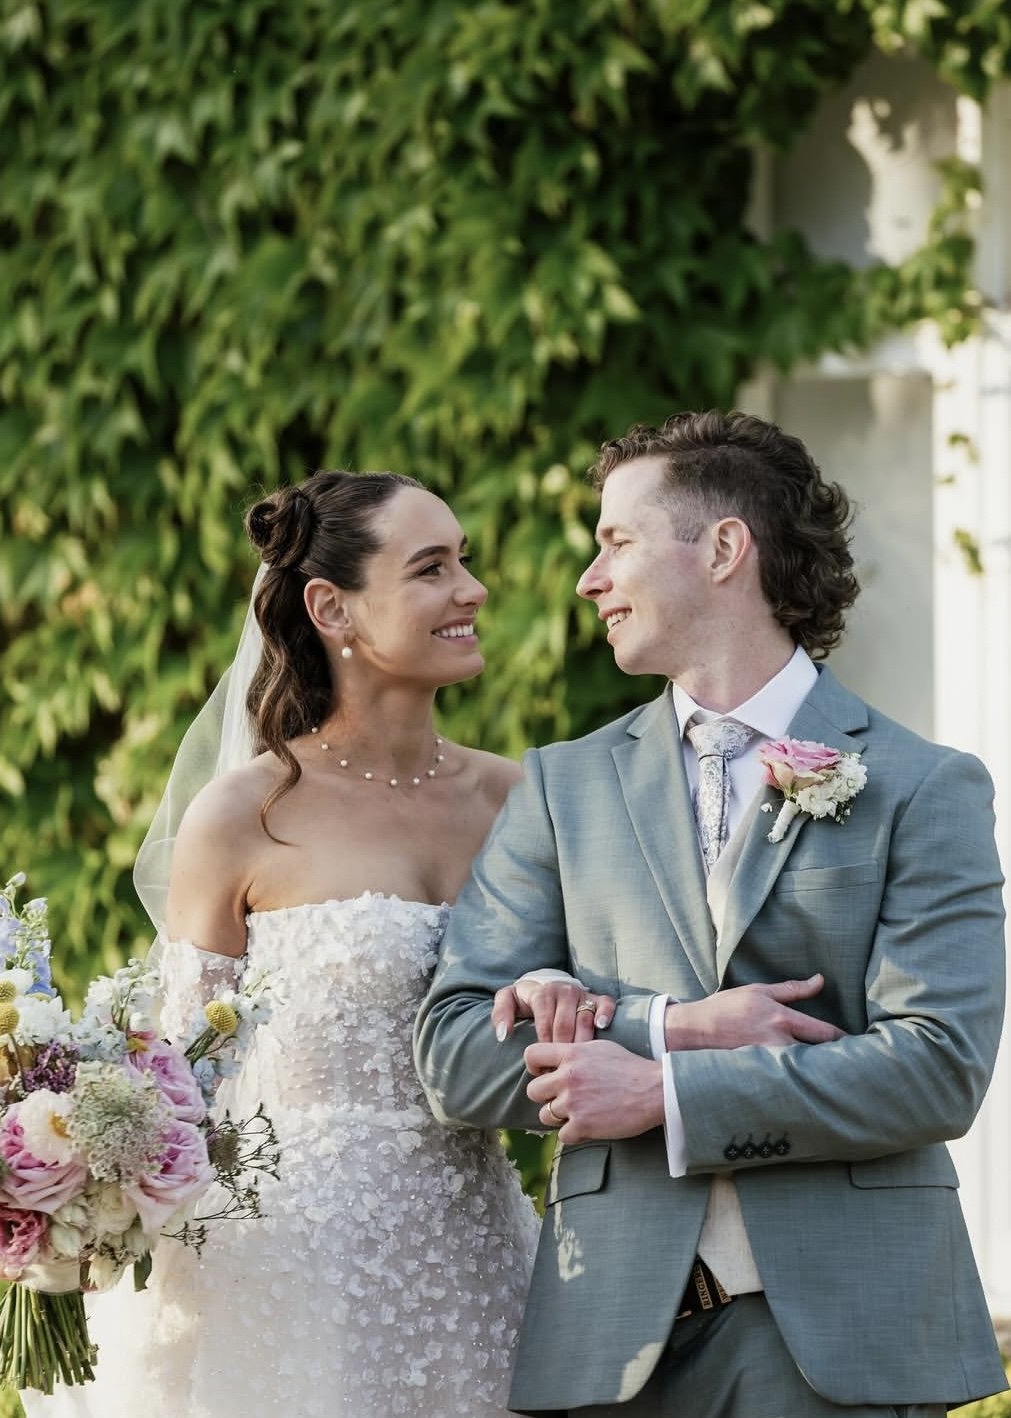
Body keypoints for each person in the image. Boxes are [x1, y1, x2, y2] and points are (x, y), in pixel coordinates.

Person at [415, 411, 1008, 1418]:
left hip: (840, 1338)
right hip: (611, 1345)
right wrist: (654, 1023)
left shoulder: (923, 784)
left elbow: (937, 1066)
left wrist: (667, 1094)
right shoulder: (564, 786)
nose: (588, 580)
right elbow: (456, 1052)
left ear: (725, 548)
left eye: (617, 542)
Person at [23, 469, 540, 1418]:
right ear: (330, 607)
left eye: (464, 562)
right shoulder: (243, 816)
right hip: (291, 1266)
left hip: (480, 1252)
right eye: (432, 568)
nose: (470, 590)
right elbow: (181, 1077)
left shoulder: (519, 802)